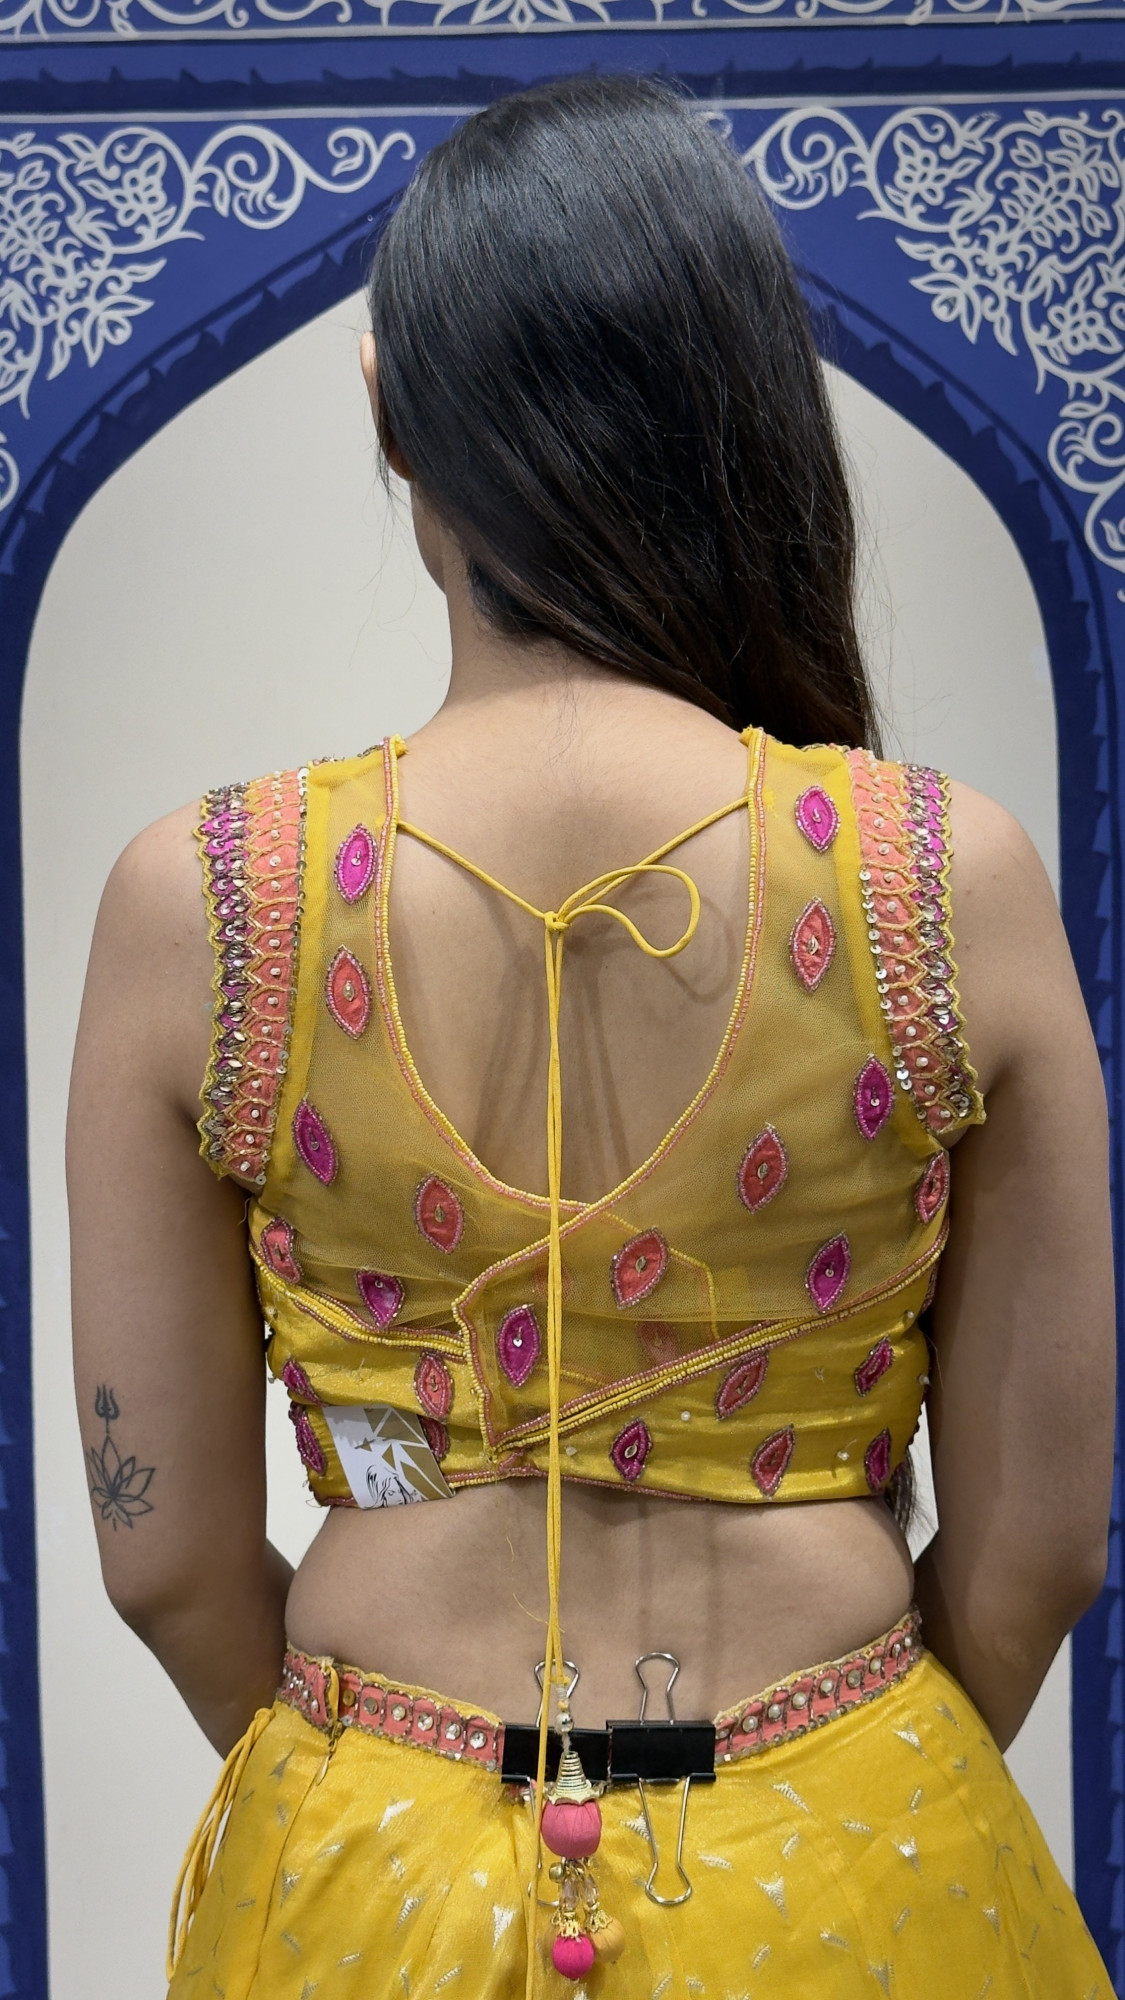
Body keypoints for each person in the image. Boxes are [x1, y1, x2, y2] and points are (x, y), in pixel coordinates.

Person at [68, 73, 1114, 1998]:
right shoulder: (940, 877)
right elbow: (1041, 1543)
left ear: (389, 410)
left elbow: (167, 1562)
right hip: (858, 1843)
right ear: (743, 407)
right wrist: (854, 1787)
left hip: (364, 1854)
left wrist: (371, 1794)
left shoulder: (198, 906)